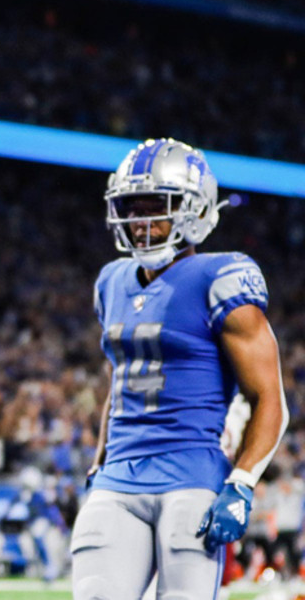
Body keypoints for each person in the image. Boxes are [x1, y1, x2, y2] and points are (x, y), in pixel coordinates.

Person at [70, 138, 288, 599]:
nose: (141, 223)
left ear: (195, 212)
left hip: (191, 476)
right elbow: (122, 377)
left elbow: (269, 398)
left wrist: (243, 483)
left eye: (157, 208)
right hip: (120, 476)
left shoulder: (220, 276)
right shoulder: (111, 281)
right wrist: (99, 460)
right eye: (132, 208)